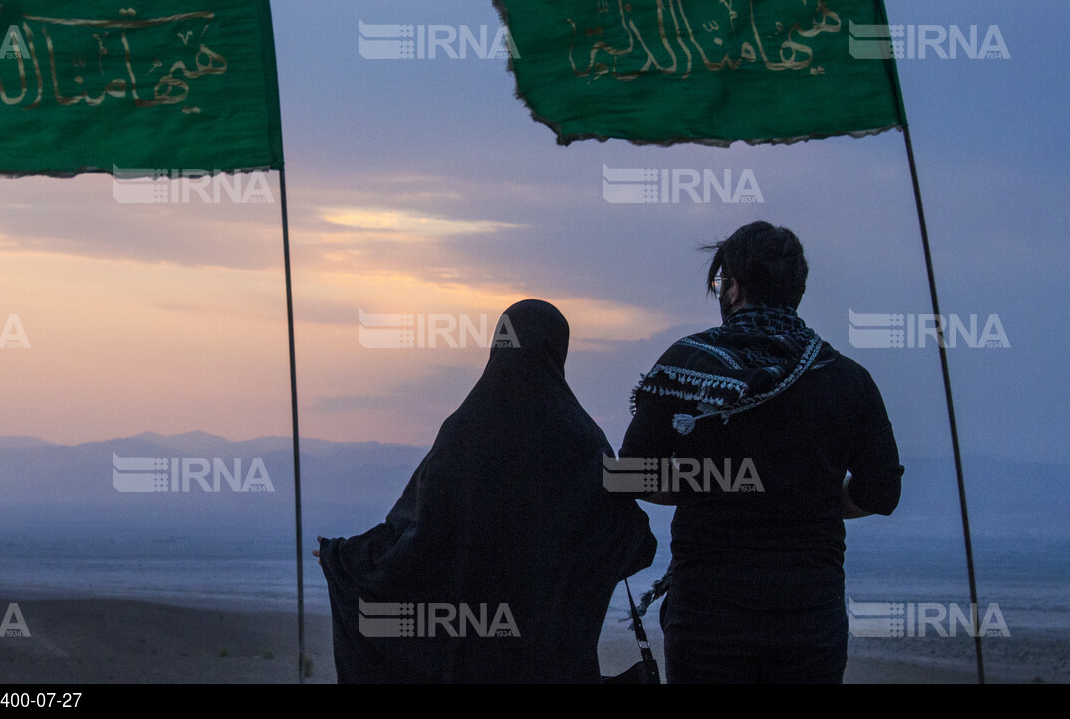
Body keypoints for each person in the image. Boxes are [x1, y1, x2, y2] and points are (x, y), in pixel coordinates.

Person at [316, 299, 657, 683]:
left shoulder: (464, 434)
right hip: (557, 667)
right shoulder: (581, 440)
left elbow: (415, 540)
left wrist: (343, 558)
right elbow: (633, 544)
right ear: (558, 350)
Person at [620, 222, 903, 684]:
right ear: (797, 290)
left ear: (732, 286)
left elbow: (630, 475)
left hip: (707, 616)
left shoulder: (686, 366)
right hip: (810, 619)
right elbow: (881, 492)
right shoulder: (847, 378)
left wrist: (710, 487)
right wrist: (803, 496)